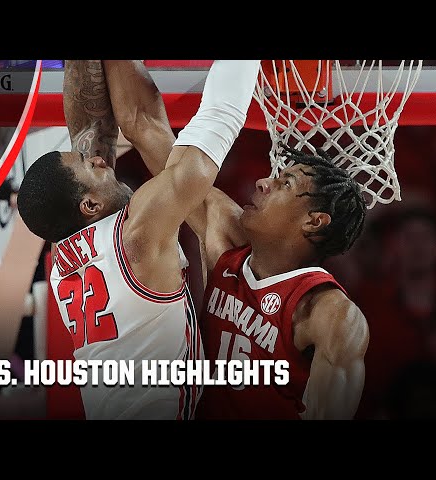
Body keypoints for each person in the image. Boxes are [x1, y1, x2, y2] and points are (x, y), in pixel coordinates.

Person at [103, 60, 370, 420]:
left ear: (313, 221)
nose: (263, 182)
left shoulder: (328, 311)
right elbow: (143, 125)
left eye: (284, 184)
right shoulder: (226, 239)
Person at [17, 60, 261, 419]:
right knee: (221, 221)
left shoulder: (65, 244)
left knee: (219, 221)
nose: (100, 161)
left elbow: (92, 129)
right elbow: (218, 118)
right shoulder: (134, 237)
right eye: (89, 166)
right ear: (89, 205)